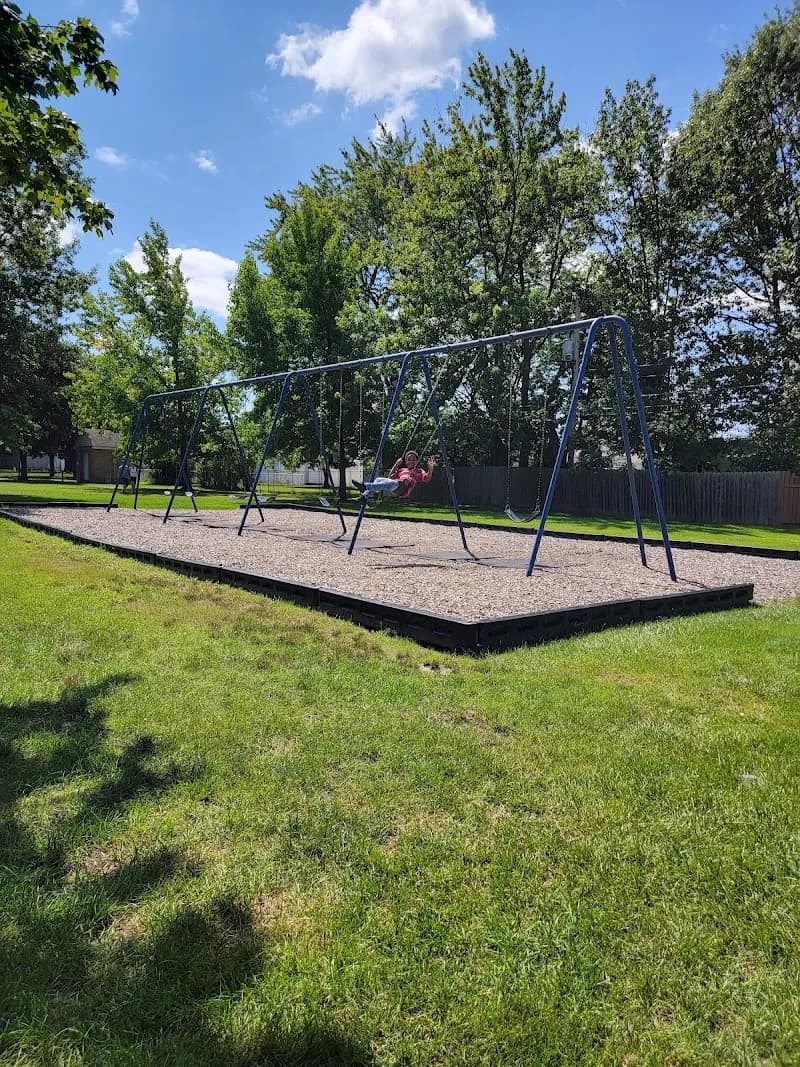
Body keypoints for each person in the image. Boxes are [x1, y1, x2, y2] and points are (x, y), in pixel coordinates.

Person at [353, 451, 435, 505]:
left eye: (413, 460)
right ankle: (364, 497)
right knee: (378, 479)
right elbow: (390, 477)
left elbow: (427, 479)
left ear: (417, 461)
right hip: (397, 486)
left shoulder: (419, 471)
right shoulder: (402, 470)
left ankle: (365, 486)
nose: (411, 461)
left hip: (404, 489)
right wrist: (396, 464)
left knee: (404, 481)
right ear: (406, 462)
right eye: (409, 460)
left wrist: (430, 468)